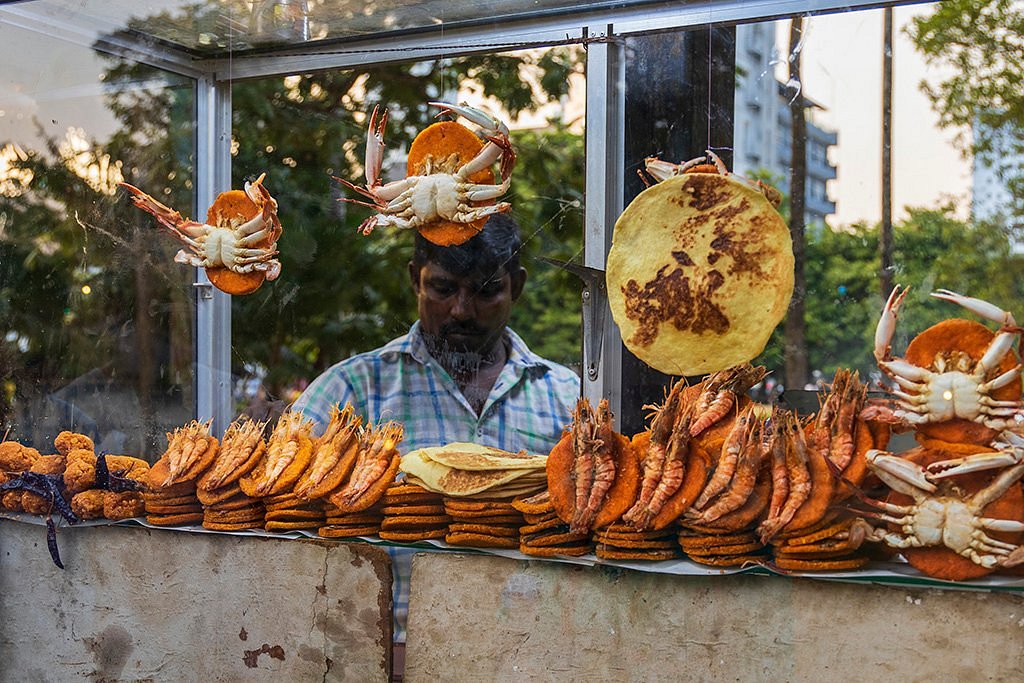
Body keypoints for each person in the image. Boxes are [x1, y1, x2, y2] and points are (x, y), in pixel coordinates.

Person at [291, 213, 580, 654]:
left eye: (486, 291)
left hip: (536, 651)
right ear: (415, 280)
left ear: (516, 287)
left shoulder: (567, 400)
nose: (461, 311)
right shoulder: (349, 392)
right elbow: (283, 524)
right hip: (379, 650)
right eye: (443, 289)